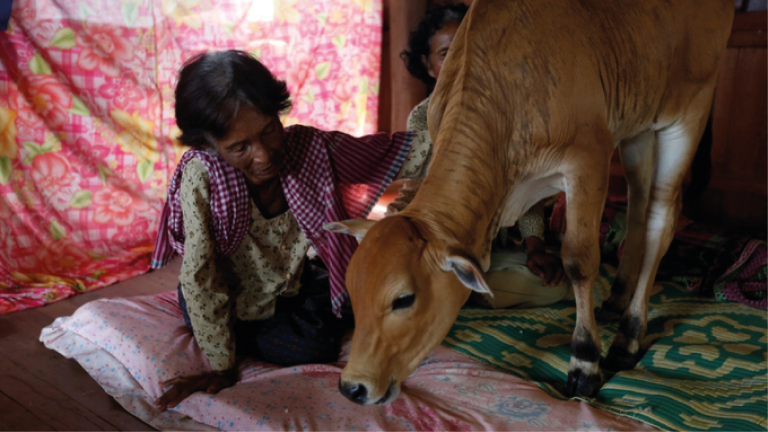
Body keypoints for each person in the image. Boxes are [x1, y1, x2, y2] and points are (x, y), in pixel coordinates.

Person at [151, 50, 432, 409]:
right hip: (226, 299)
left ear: (277, 113)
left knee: (366, 292)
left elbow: (393, 153)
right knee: (310, 347)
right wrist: (221, 366)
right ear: (208, 144)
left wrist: (466, 137)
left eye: (269, 130)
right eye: (240, 147)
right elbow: (200, 278)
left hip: (290, 287)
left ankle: (301, 309)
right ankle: (235, 334)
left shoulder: (308, 148)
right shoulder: (202, 176)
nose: (264, 155)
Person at [389, 3, 571, 308]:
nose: (461, 61)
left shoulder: (506, 116)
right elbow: (417, 187)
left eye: (469, 48)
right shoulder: (422, 120)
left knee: (553, 285)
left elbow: (522, 186)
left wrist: (534, 248)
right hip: (442, 244)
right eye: (447, 53)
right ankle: (452, 288)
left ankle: (449, 293)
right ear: (429, 64)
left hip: (494, 250)